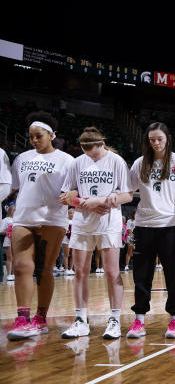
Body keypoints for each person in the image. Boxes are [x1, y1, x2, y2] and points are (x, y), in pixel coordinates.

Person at [58, 127, 133, 339]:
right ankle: (81, 320)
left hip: (109, 222)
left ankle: (115, 319)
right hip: (82, 222)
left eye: (94, 152)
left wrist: (102, 201)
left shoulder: (116, 161)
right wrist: (83, 203)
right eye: (86, 152)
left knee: (111, 271)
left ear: (102, 144)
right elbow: (65, 196)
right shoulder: (76, 163)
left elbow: (127, 195)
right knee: (80, 271)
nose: (90, 156)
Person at [5, 112, 72, 341]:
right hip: (23, 217)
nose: (34, 140)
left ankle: (40, 318)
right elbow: (13, 187)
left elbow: (73, 190)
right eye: (31, 136)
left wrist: (71, 196)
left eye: (39, 136)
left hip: (52, 220)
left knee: (44, 269)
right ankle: (22, 319)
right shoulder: (21, 158)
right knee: (22, 267)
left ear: (51, 135)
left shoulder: (66, 160)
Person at [125, 122, 175, 339]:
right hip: (145, 225)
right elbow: (128, 191)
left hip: (172, 225)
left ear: (167, 139)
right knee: (141, 275)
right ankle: (139, 320)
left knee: (173, 274)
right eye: (151, 139)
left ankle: (174, 320)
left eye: (159, 139)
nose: (155, 143)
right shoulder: (139, 163)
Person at [1, 205, 14, 281]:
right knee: (10, 258)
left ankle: (13, 274)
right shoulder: (5, 220)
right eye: (13, 210)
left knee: (15, 258)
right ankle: (9, 274)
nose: (14, 212)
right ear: (10, 211)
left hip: (16, 240)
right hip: (8, 240)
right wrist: (8, 232)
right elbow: (1, 231)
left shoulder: (17, 219)